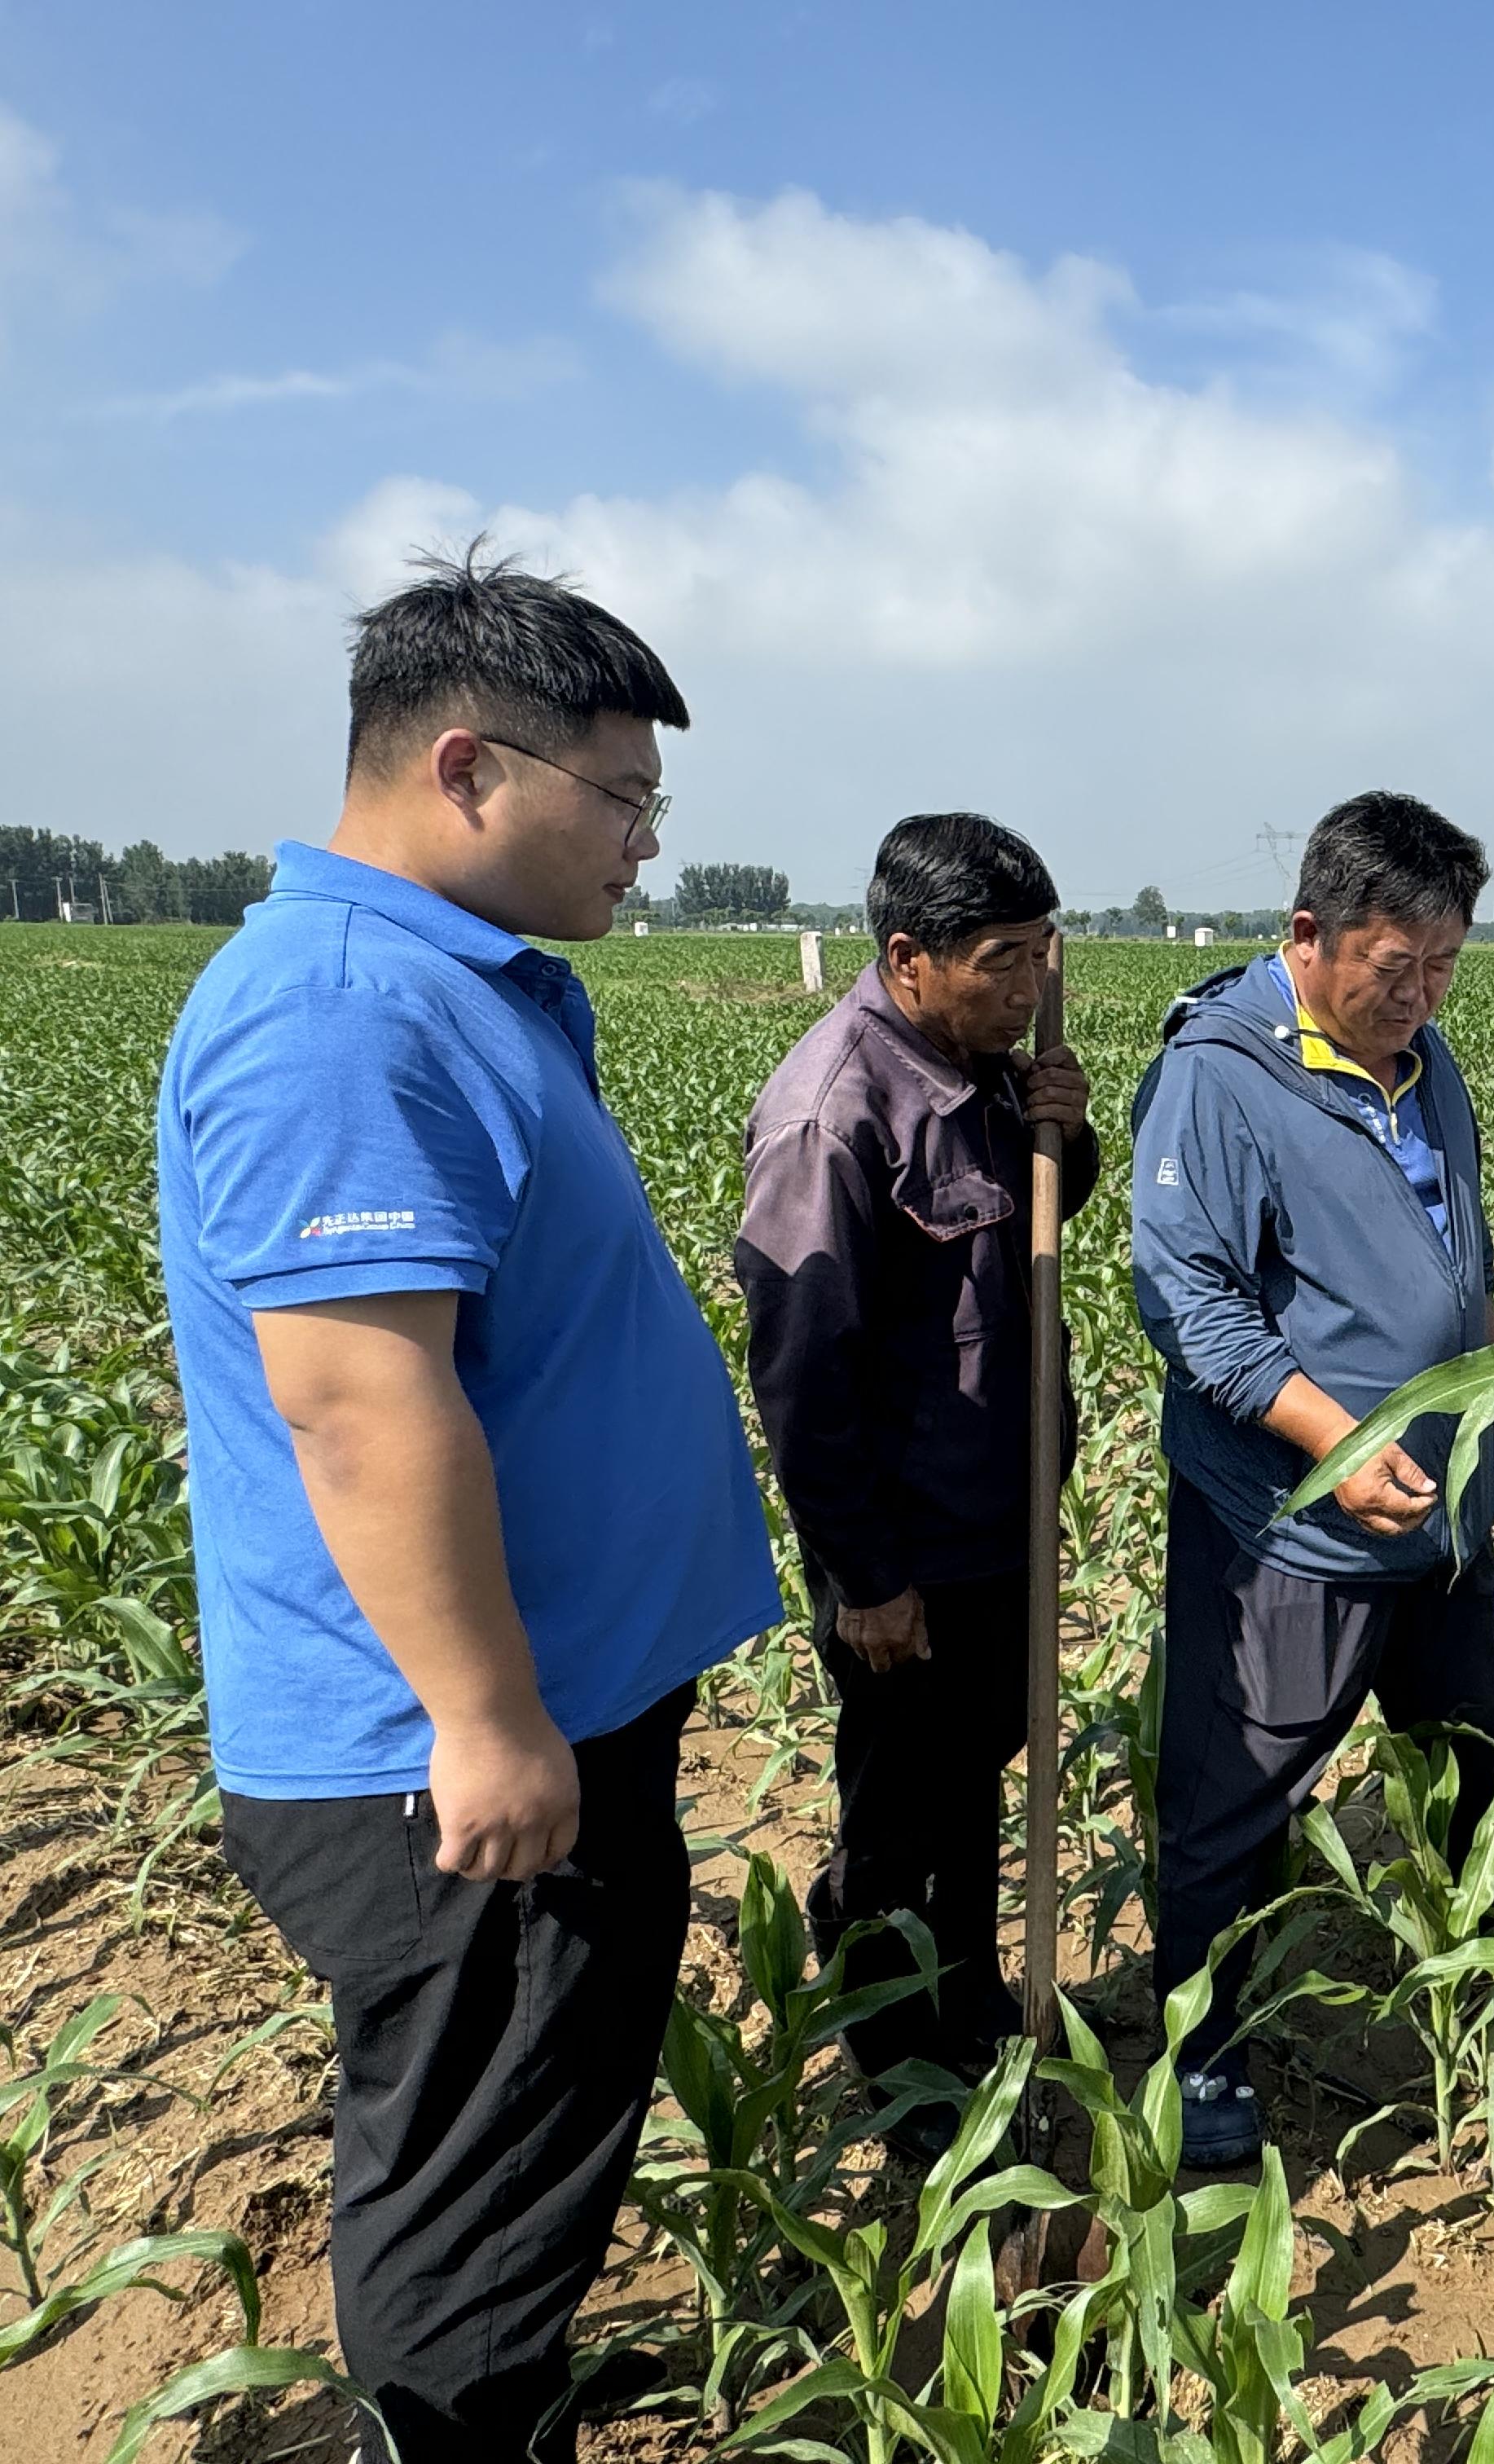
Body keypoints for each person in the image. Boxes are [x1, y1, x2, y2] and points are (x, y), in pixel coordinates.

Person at [156, 544, 779, 2462]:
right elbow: (359, 1400)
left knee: (506, 2153)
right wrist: (490, 1719)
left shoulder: (447, 984)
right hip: (449, 1764)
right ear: (467, 769)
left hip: (537, 1717)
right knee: (473, 2204)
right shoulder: (344, 1009)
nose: (647, 846)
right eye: (625, 799)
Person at [1129, 793, 1494, 2168]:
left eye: (1445, 966)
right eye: (1394, 966)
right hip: (1296, 1526)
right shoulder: (1221, 1075)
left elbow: (1460, 1260)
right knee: (1240, 1794)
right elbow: (1195, 1309)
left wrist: (1491, 1424)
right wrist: (1339, 1453)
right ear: (1309, 934)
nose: (1421, 997)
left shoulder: (1424, 1058)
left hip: (1439, 1515)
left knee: (1472, 1758)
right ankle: (1201, 2054)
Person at [734, 814, 1095, 2147]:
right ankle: (904, 2076)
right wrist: (869, 1580)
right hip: (910, 1553)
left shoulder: (984, 1068)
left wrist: (1066, 1138)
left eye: (1040, 956)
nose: (1027, 988)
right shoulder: (833, 1115)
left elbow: (1020, 1230)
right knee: (904, 1818)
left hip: (998, 1519)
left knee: (969, 1778)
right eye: (1002, 962)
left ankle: (970, 1997)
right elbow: (803, 1377)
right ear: (907, 958)